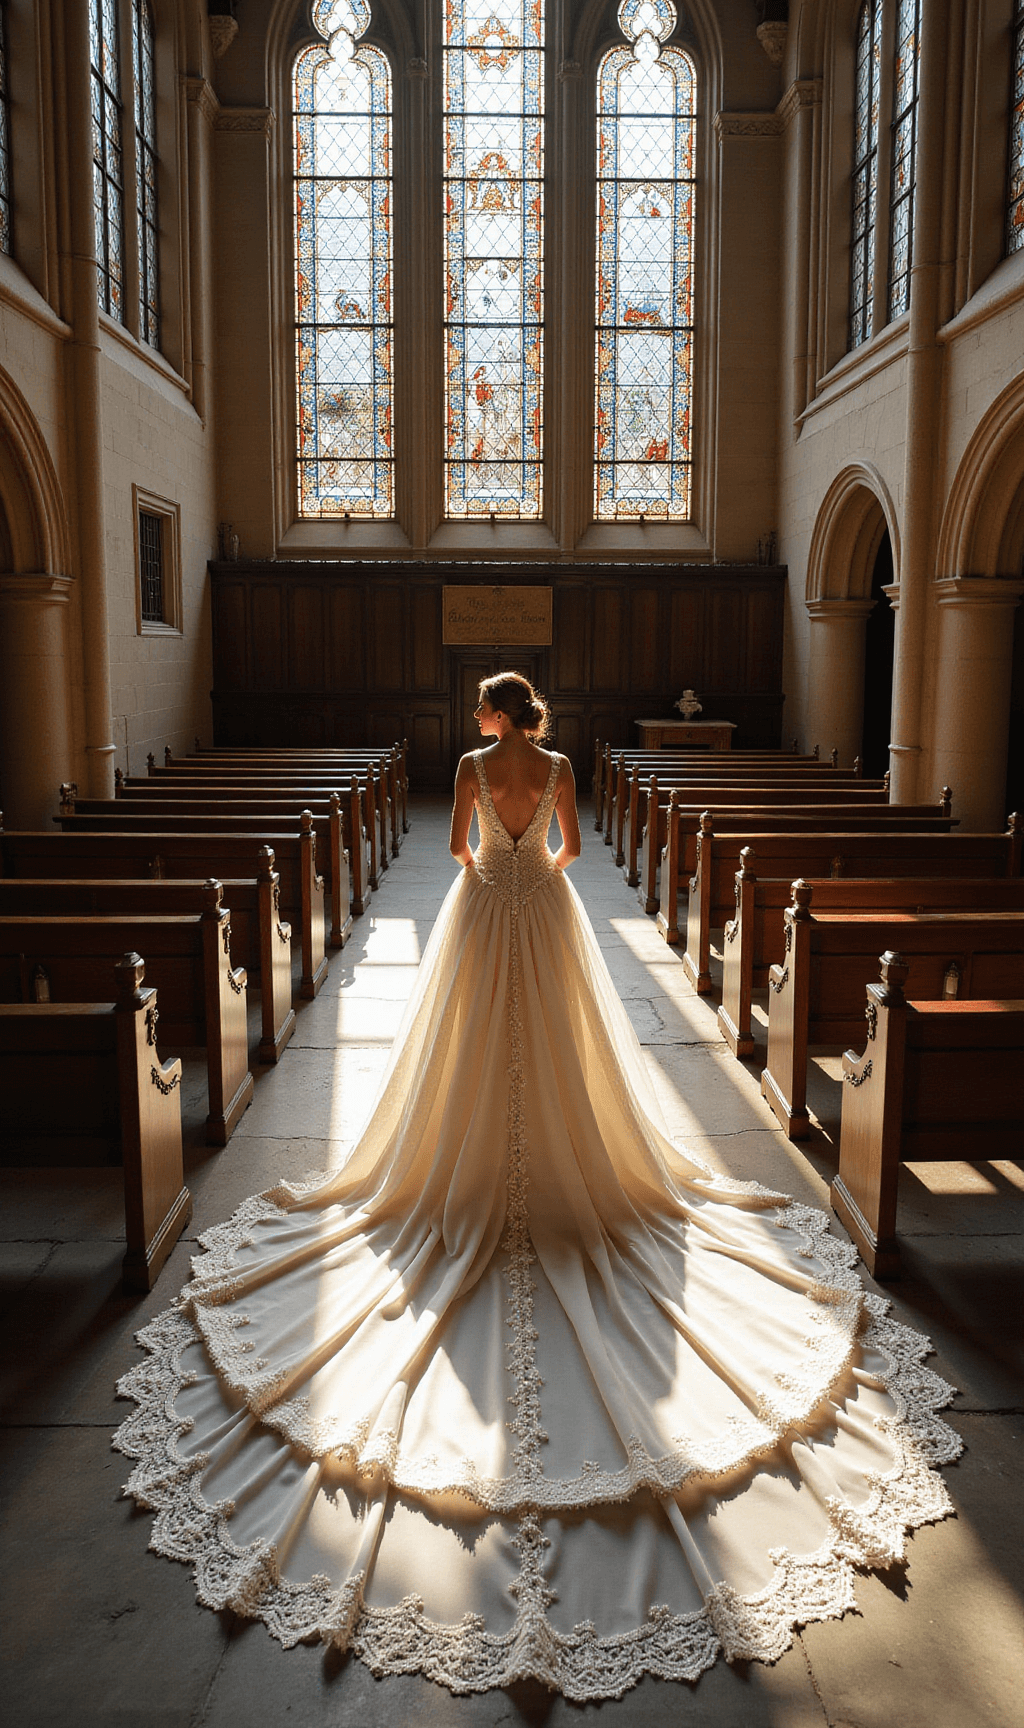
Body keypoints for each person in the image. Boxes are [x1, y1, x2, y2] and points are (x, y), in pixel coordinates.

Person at [116, 673, 959, 1701]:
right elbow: (564, 852)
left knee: (465, 1050)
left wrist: (493, 867)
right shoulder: (556, 766)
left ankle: (452, 1178)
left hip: (483, 911)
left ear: (489, 716)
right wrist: (532, 866)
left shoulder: (471, 768)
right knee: (566, 1052)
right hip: (546, 912)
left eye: (480, 705)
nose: (476, 720)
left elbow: (459, 853)